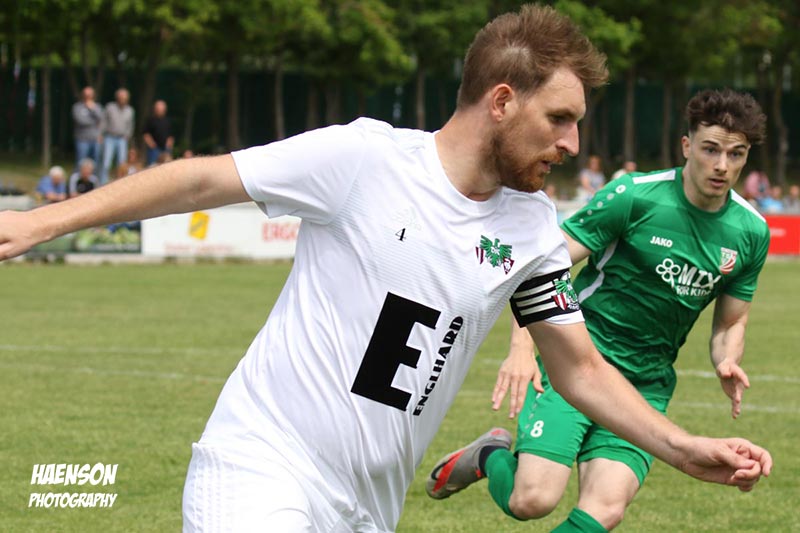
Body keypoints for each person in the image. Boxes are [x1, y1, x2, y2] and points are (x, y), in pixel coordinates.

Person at [0, 8, 771, 532]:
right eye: (559, 118)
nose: (572, 144)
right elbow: (203, 179)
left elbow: (580, 369)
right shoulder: (364, 157)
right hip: (261, 466)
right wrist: (42, 220)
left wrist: (682, 447)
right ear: (502, 100)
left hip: (368, 507)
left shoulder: (531, 226)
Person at [428, 89, 771, 532]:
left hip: (645, 382)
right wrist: (522, 347)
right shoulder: (635, 197)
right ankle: (489, 455)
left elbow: (731, 321)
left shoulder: (750, 232)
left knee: (605, 509)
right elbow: (540, 267)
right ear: (687, 146)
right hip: (577, 359)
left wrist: (726, 358)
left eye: (735, 154)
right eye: (710, 149)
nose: (722, 165)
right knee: (532, 499)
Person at [100, 88, 135, 185]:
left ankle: (120, 183)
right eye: (121, 97)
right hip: (109, 137)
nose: (122, 100)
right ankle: (103, 183)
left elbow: (130, 125)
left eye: (124, 98)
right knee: (106, 162)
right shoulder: (110, 107)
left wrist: (127, 136)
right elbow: (103, 121)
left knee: (121, 163)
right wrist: (101, 134)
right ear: (117, 98)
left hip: (122, 139)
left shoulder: (130, 110)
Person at [72, 86, 104, 169]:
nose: (88, 96)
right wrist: (95, 122)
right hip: (82, 139)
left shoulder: (97, 107)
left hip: (95, 139)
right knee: (81, 162)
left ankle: (94, 177)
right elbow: (80, 121)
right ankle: (79, 177)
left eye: (90, 94)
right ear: (82, 95)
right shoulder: (77, 107)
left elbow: (101, 118)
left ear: (93, 95)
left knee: (96, 162)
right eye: (86, 94)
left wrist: (92, 109)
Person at [143, 99, 174, 166]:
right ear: (155, 109)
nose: (159, 110)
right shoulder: (150, 120)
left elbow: (171, 136)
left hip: (165, 149)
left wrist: (169, 145)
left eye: (161, 109)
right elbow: (145, 134)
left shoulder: (168, 121)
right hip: (154, 149)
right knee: (152, 167)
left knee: (167, 166)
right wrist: (151, 144)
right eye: (158, 109)